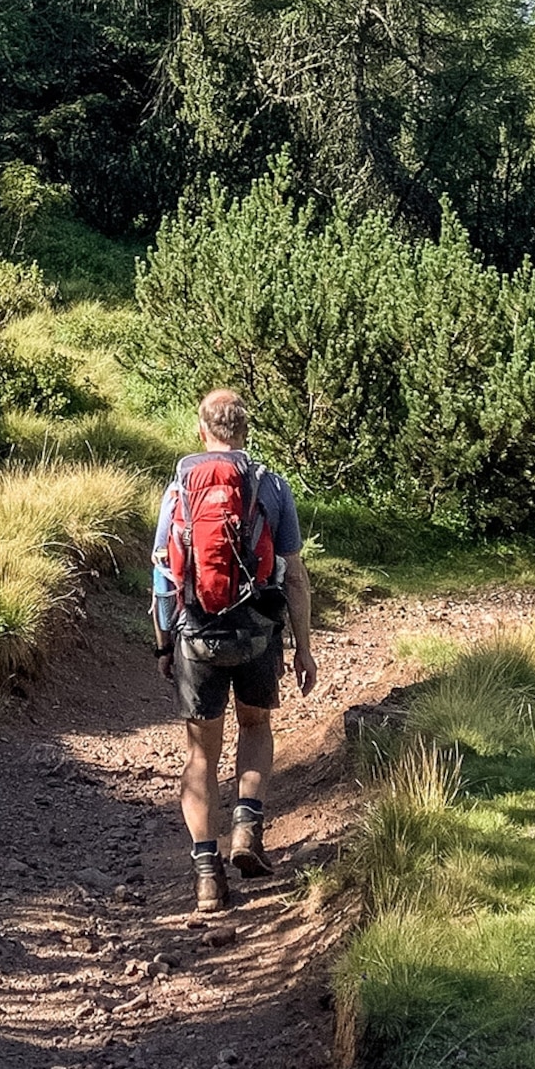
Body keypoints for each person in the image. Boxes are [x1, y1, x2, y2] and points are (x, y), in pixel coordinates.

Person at [151, 387, 316, 915]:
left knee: (201, 753)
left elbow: (163, 579)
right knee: (255, 727)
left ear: (202, 430)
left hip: (196, 635)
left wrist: (163, 643)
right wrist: (304, 650)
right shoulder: (270, 485)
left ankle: (206, 876)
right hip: (259, 633)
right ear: (245, 431)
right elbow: (294, 578)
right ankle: (247, 830)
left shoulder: (179, 488)